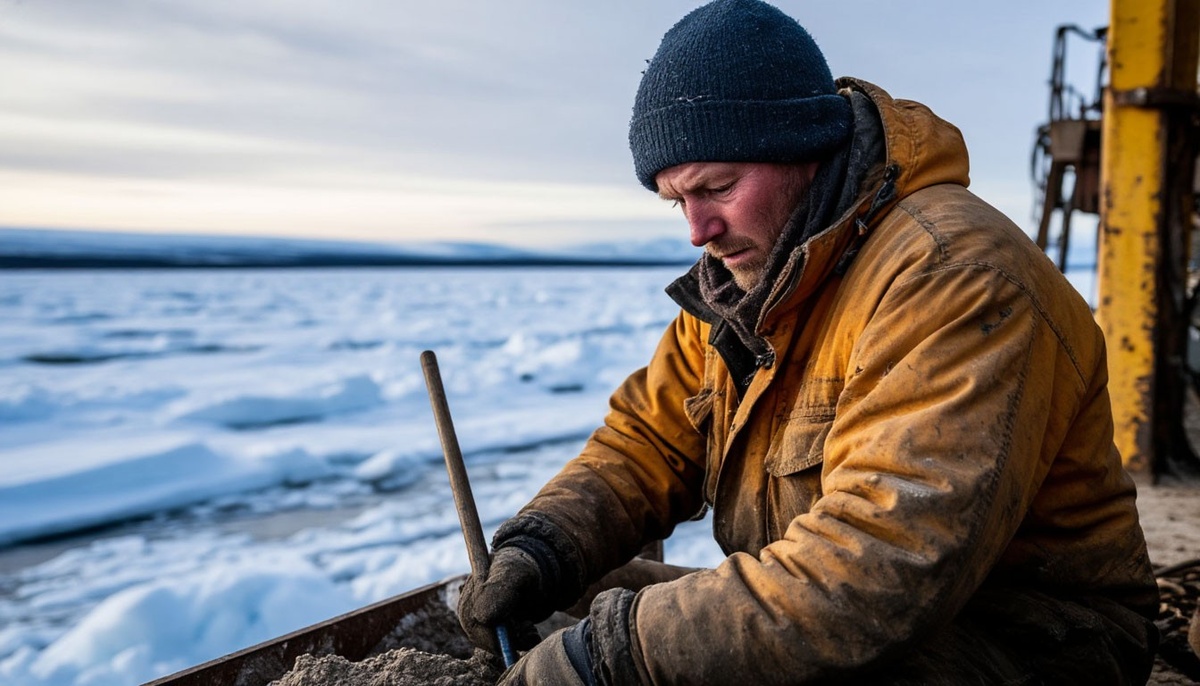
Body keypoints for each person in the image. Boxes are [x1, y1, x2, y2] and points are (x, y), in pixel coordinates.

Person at [457, 0, 1161, 683]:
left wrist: (611, 659)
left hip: (1023, 635)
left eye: (718, 187)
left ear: (802, 147)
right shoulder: (747, 287)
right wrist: (545, 545)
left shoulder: (954, 274)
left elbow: (881, 565)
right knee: (577, 598)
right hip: (837, 603)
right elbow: (649, 440)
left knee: (624, 650)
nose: (697, 231)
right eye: (678, 201)